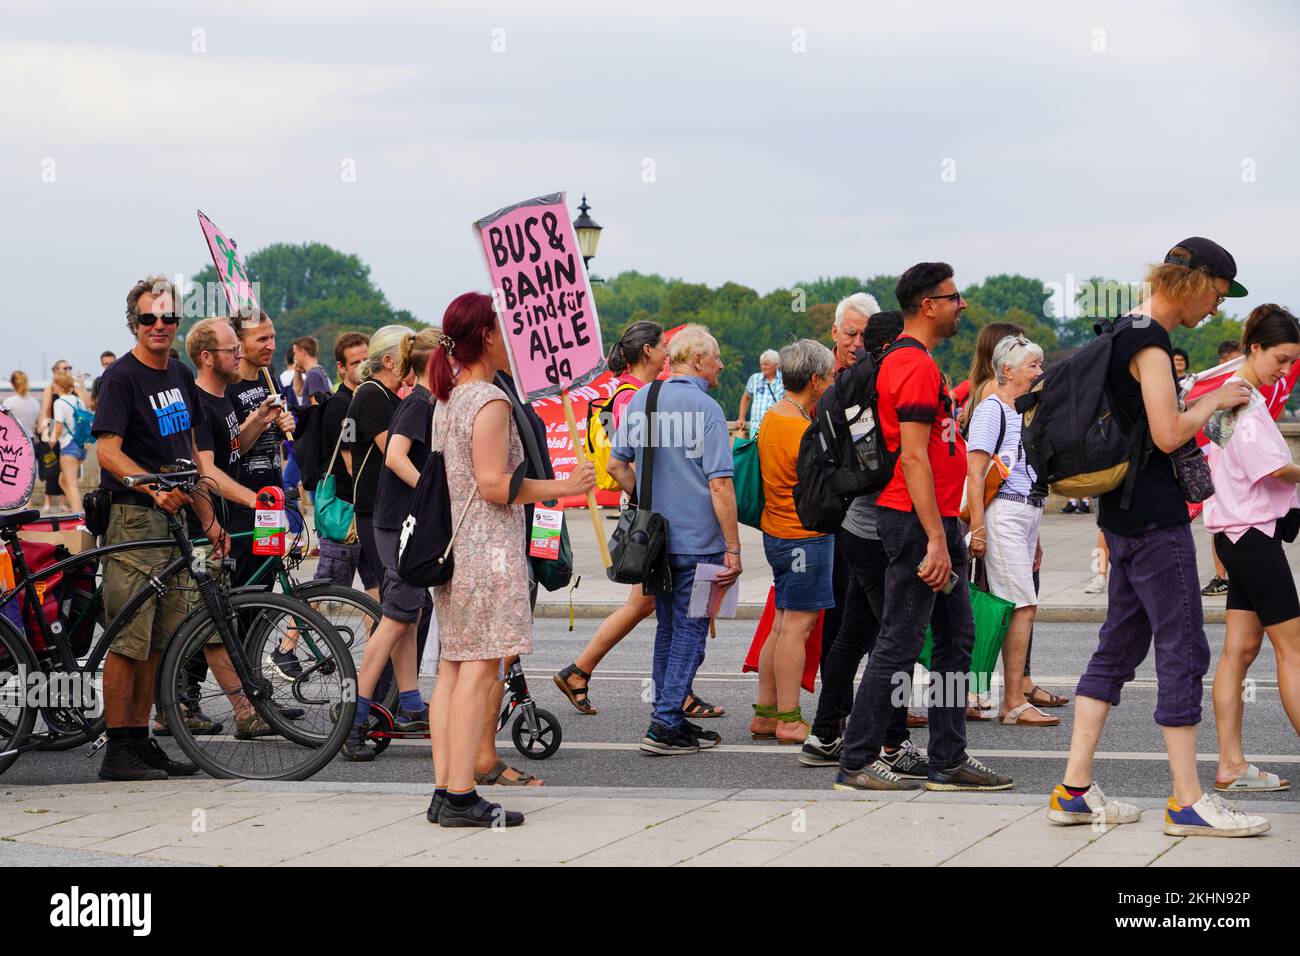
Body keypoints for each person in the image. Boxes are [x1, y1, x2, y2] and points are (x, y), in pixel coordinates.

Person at [1051, 237, 1268, 837]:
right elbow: (1169, 434)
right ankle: (1188, 800)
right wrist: (1213, 400)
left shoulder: (1123, 327)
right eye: (1218, 295)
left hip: (1120, 516)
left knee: (1117, 648)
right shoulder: (1149, 341)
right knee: (1183, 648)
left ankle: (1073, 789)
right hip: (1154, 516)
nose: (1216, 310)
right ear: (1195, 282)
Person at [836, 262, 1013, 793]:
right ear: (928, 305)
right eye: (953, 296)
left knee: (956, 640)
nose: (962, 305)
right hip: (916, 522)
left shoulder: (920, 361)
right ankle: (857, 760)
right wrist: (936, 538)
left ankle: (947, 758)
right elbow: (912, 458)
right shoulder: (911, 365)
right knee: (898, 640)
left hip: (931, 520)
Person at [424, 292, 594, 828]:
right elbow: (494, 484)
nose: (513, 338)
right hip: (486, 550)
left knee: (454, 669)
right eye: (504, 328)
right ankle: (461, 794)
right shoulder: (490, 401)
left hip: (455, 548)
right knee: (478, 669)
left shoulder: (450, 397)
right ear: (488, 337)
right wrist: (562, 484)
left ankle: (443, 788)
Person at [92, 276, 229, 781]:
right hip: (133, 517)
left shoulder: (179, 372)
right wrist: (150, 488)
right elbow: (107, 448)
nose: (160, 326)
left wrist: (208, 517)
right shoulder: (121, 378)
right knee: (128, 638)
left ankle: (140, 739)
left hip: (173, 521)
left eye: (168, 317)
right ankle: (116, 750)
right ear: (134, 322)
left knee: (157, 640)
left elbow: (190, 454)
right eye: (149, 318)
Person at [803, 310, 929, 774]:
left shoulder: (844, 385)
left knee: (853, 636)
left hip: (855, 522)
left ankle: (823, 733)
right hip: (885, 525)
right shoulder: (891, 380)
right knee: (896, 642)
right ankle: (892, 743)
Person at [609, 324, 741, 756]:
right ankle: (666, 724)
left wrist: (645, 497)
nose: (721, 365)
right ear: (698, 360)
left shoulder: (642, 398)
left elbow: (616, 465)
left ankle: (666, 717)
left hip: (656, 543)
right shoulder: (706, 409)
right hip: (701, 542)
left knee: (668, 628)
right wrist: (734, 548)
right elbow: (720, 485)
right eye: (717, 357)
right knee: (691, 630)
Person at [1204, 305, 1300, 794]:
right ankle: (1230, 763)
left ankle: (1231, 764)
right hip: (1253, 534)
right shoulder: (1244, 401)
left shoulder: (1228, 395)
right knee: (1294, 650)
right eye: (1281, 360)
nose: (1286, 371)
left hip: (1233, 532)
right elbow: (1271, 469)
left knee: (1239, 652)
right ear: (1255, 348)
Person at [554, 321, 669, 715]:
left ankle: (580, 670)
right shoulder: (634, 397)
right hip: (647, 508)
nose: (667, 352)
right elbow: (630, 459)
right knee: (651, 603)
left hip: (642, 505)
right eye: (663, 345)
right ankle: (582, 670)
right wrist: (649, 499)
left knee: (650, 603)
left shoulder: (628, 393)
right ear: (648, 351)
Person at [182, 315, 286, 739]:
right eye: (233, 348)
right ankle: (227, 707)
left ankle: (239, 702)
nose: (241, 354)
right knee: (209, 617)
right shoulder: (199, 401)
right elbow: (206, 471)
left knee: (226, 611)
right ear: (208, 358)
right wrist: (252, 498)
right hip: (201, 523)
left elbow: (231, 449)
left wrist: (260, 419)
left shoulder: (225, 398)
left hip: (234, 518)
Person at [342, 329, 439, 761]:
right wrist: (432, 493)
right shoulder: (417, 402)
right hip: (396, 522)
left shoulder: (419, 400)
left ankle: (412, 704)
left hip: (398, 520)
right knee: (397, 616)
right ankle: (355, 717)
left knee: (409, 611)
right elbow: (396, 457)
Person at [965, 334, 1061, 725]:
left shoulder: (1021, 410)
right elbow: (975, 472)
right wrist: (977, 527)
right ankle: (1013, 702)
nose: (1040, 372)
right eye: (1032, 366)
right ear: (1007, 370)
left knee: (1009, 605)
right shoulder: (993, 410)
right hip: (1004, 514)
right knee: (1020, 604)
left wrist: (1035, 538)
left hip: (1023, 513)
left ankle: (985, 694)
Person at [751, 340, 836, 745]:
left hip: (777, 532)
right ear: (816, 380)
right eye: (830, 375)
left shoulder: (773, 416)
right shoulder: (803, 428)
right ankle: (788, 718)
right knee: (796, 630)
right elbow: (820, 488)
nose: (833, 381)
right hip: (805, 537)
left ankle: (766, 713)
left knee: (782, 624)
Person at [224, 312, 296, 587]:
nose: (272, 345)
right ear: (239, 343)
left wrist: (283, 426)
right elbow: (232, 449)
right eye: (262, 338)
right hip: (242, 506)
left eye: (273, 337)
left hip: (271, 501)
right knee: (244, 589)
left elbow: (271, 442)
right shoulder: (228, 387)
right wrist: (259, 420)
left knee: (266, 587)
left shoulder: (269, 379)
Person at [343, 325, 408, 608]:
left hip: (383, 507)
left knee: (404, 599)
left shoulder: (382, 394)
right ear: (389, 361)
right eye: (409, 353)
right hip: (376, 508)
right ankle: (384, 655)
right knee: (399, 599)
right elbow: (394, 453)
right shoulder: (372, 395)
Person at [312, 331, 373, 588]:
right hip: (344, 511)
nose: (363, 367)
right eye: (355, 362)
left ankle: (374, 631)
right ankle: (293, 629)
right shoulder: (342, 405)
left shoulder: (365, 398)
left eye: (367, 360)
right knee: (327, 590)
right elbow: (352, 465)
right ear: (341, 368)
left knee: (375, 587)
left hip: (362, 511)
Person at [47, 367, 88, 516]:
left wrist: (51, 441)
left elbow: (57, 427)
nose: (53, 386)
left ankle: (80, 517)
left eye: (54, 383)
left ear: (59, 384)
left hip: (69, 447)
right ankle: (76, 509)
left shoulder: (59, 402)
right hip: (80, 446)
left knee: (71, 485)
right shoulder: (78, 400)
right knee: (62, 481)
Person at [734, 349, 783, 438]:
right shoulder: (754, 378)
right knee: (755, 451)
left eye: (767, 364)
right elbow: (746, 398)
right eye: (762, 364)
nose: (763, 367)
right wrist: (741, 417)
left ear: (776, 365)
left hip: (777, 428)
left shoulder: (784, 380)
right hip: (756, 428)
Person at [830, 292, 876, 372]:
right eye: (851, 333)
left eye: (865, 336)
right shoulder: (817, 373)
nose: (858, 343)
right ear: (835, 333)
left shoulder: (883, 374)